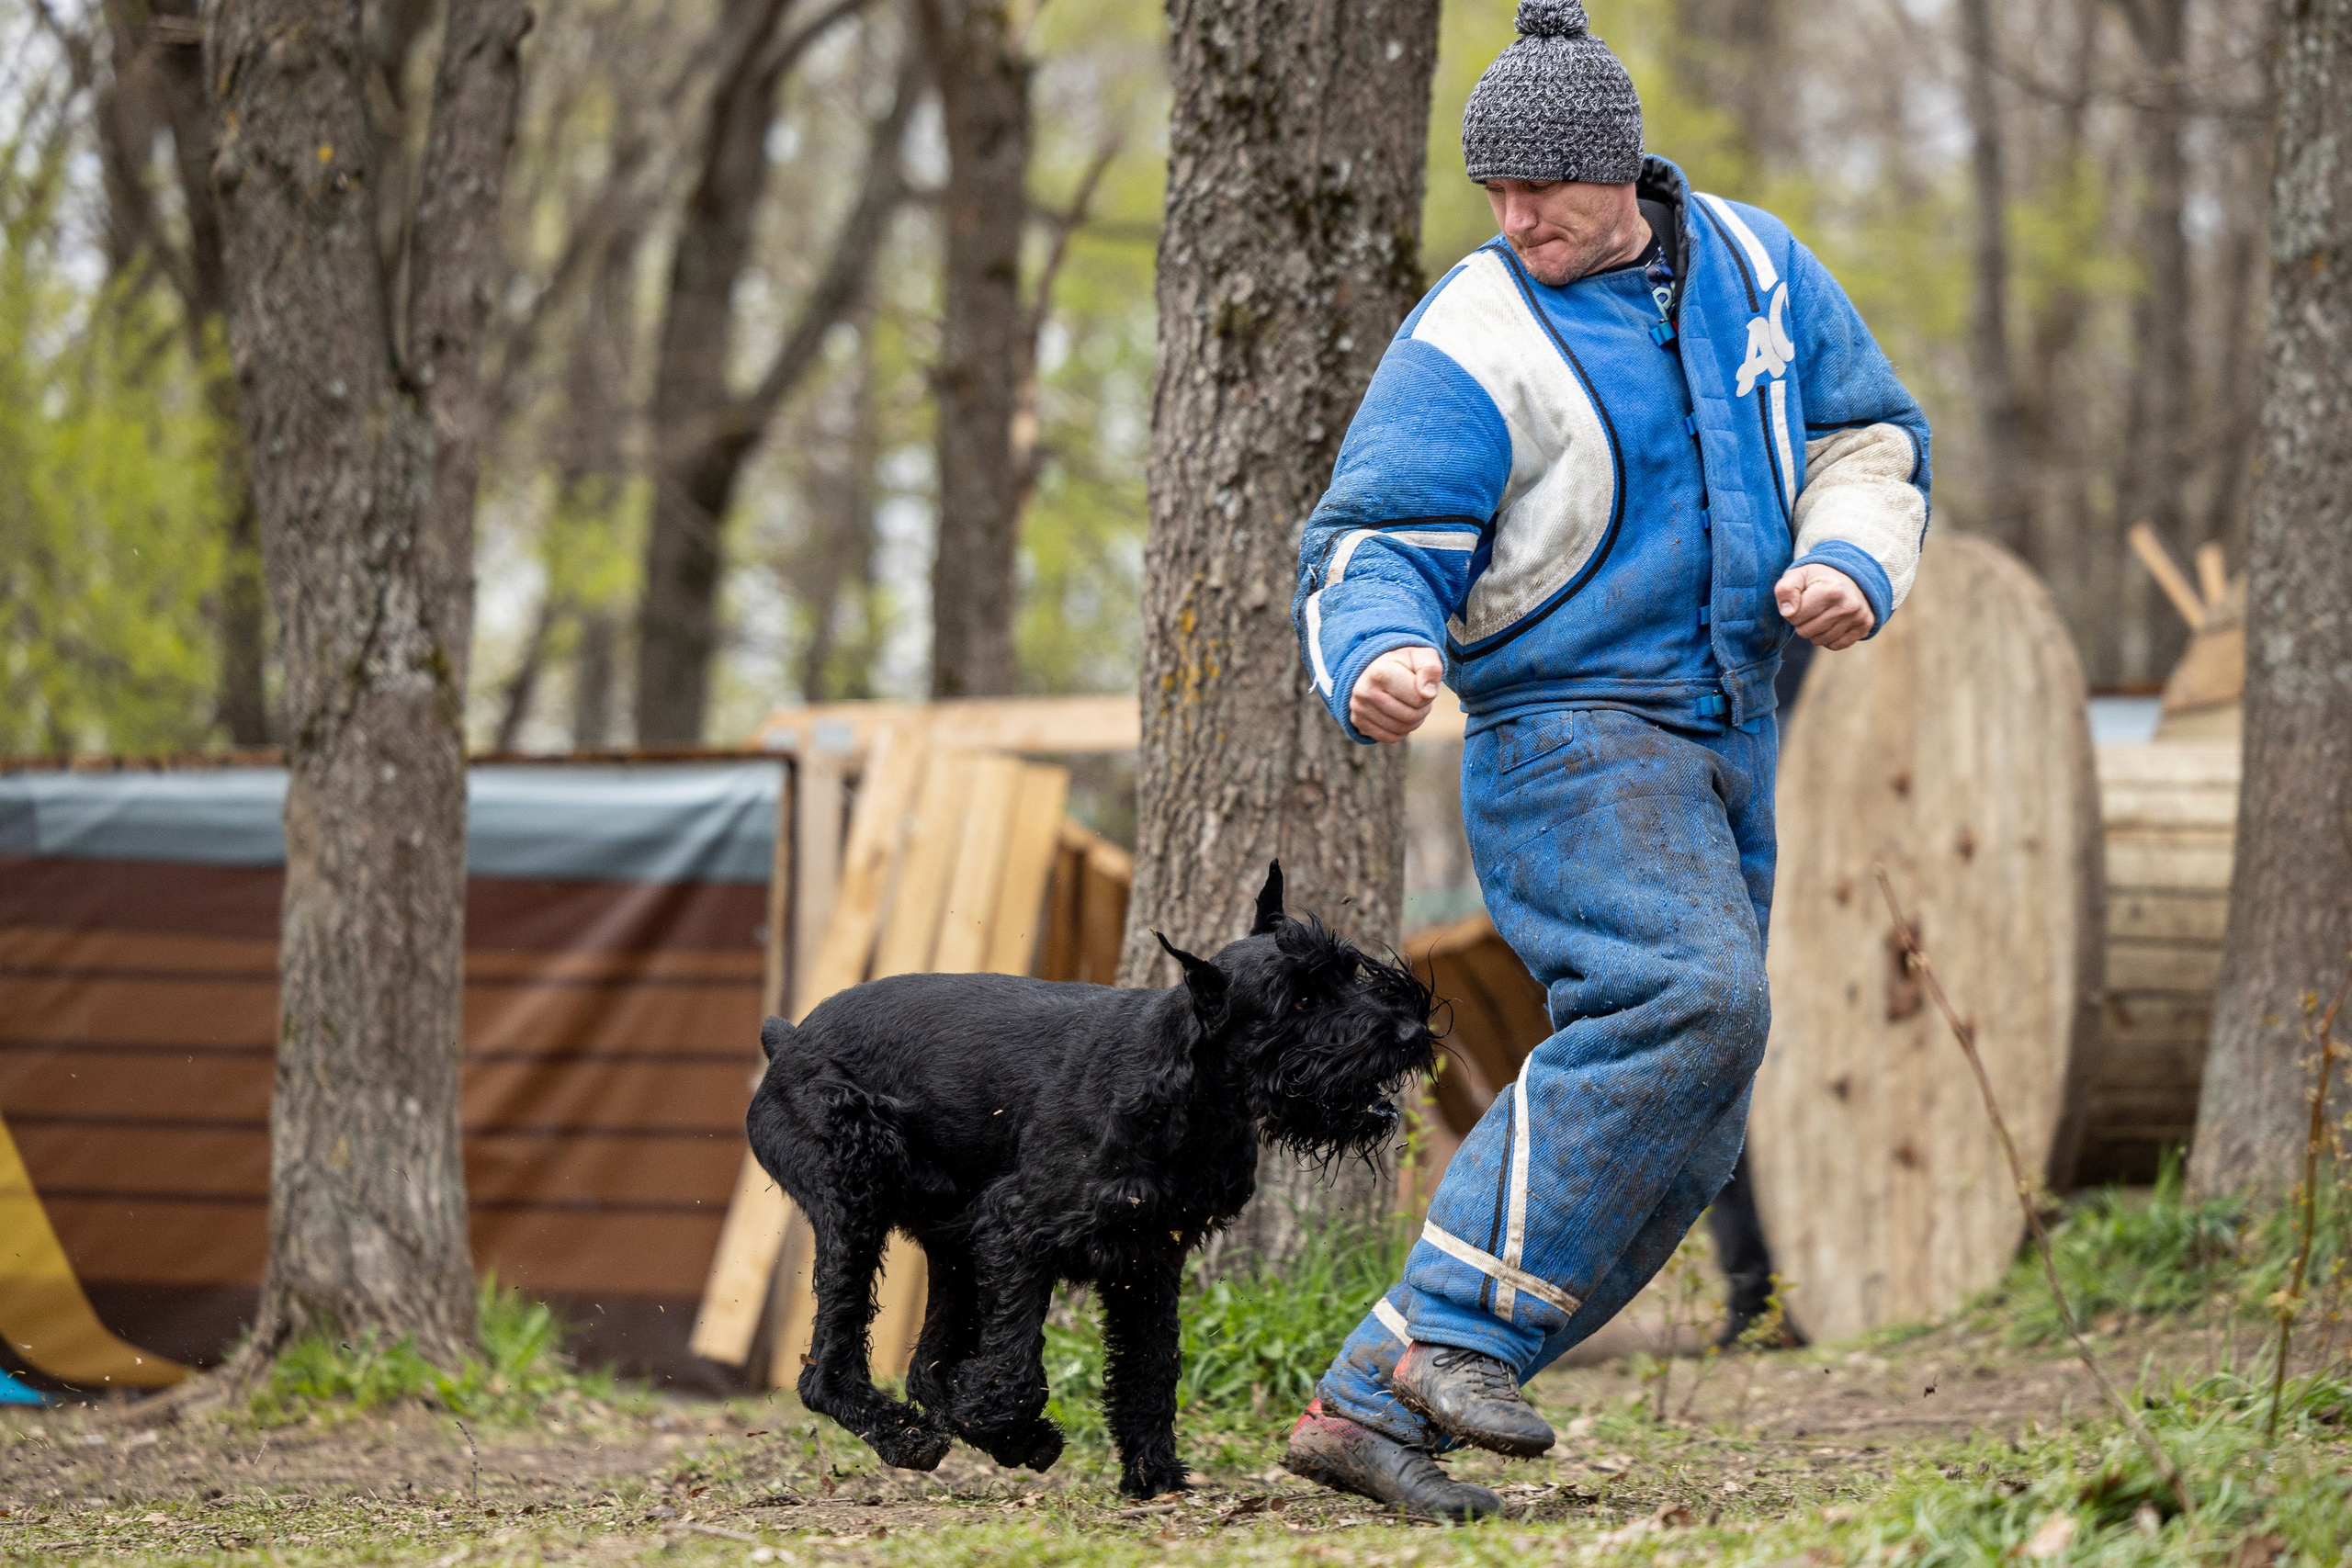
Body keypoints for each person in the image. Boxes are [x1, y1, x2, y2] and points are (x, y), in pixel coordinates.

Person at [1282, 0, 1929, 1519]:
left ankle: (1372, 1402)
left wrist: (1849, 560)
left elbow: (1871, 443)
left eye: (1544, 194)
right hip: (1567, 734)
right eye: (1492, 195)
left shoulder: (1765, 270)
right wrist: (1377, 649)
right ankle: (1454, 1333)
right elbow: (1372, 535)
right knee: (1683, 997)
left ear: (1626, 170)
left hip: (1728, 728)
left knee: (1706, 1084)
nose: (1516, 222)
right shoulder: (1474, 325)